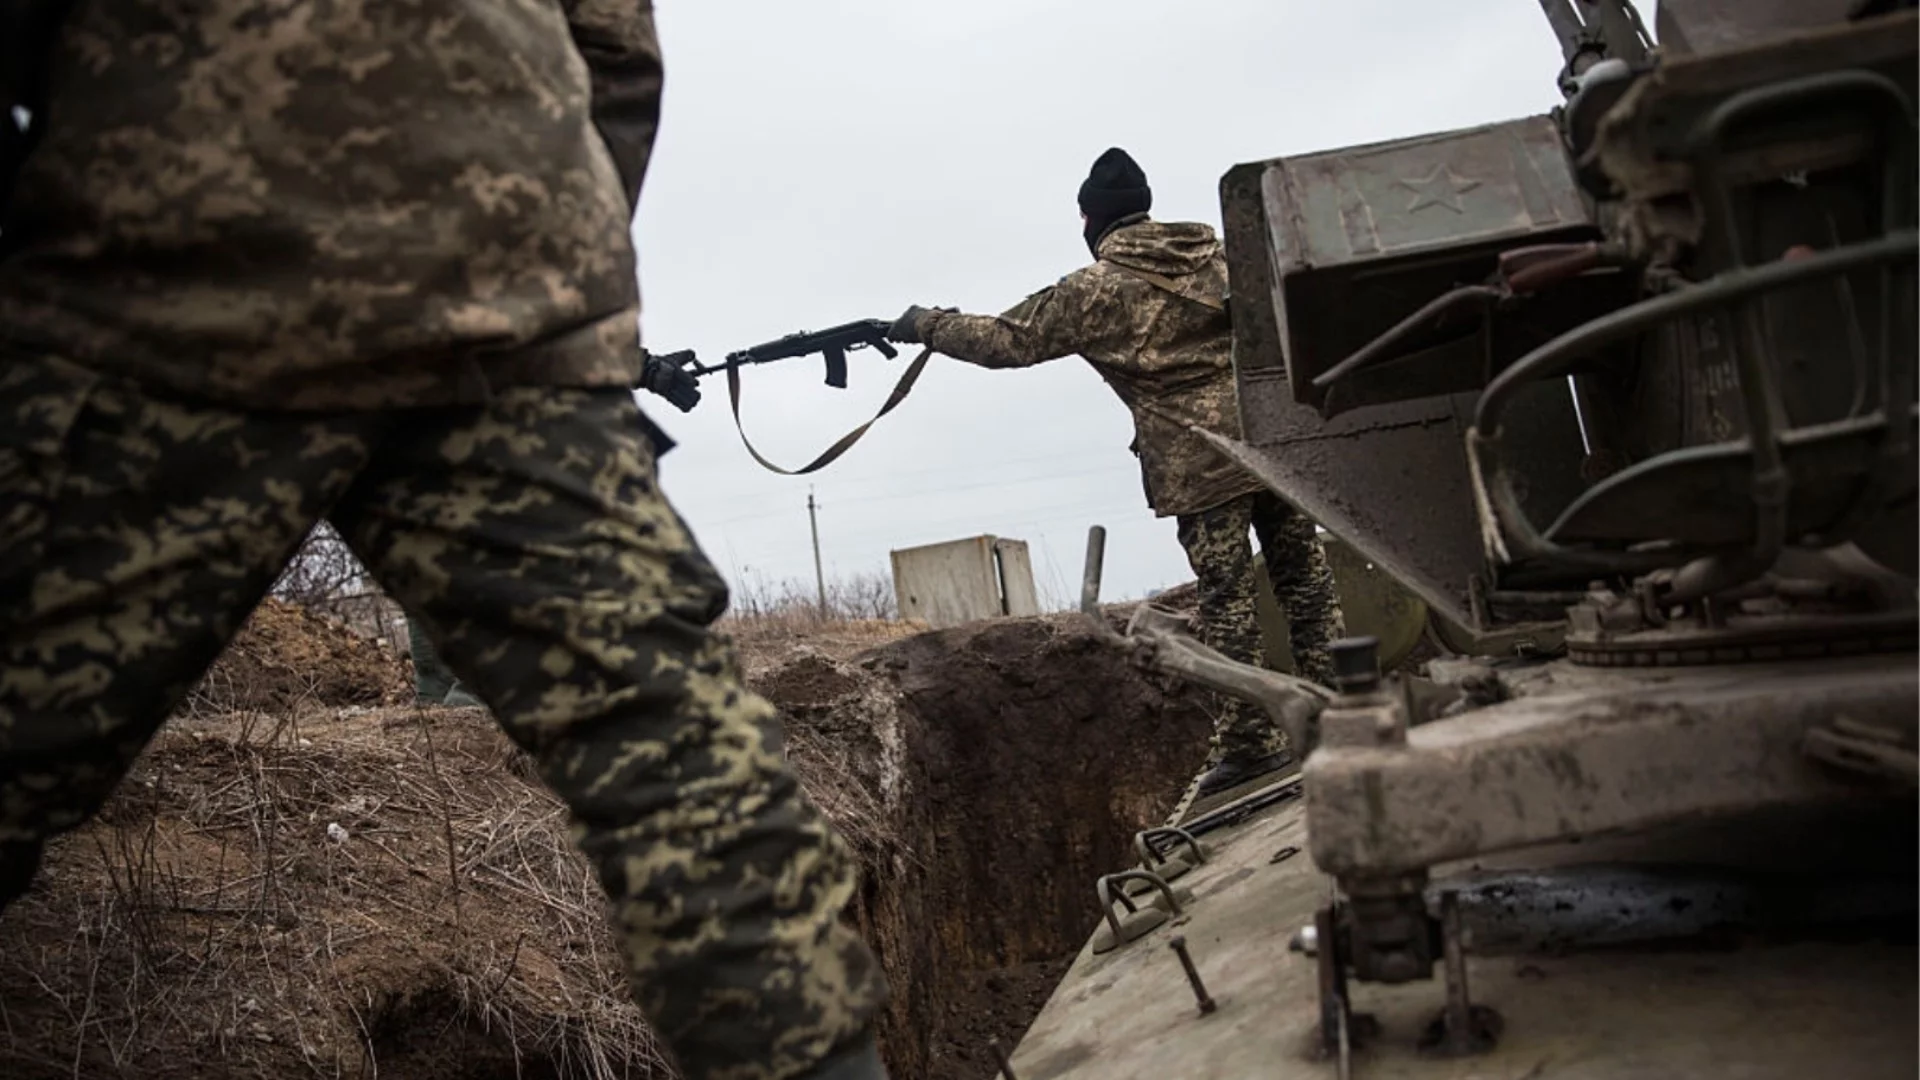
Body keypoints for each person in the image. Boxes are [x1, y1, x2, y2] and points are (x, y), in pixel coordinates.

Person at [0, 3, 888, 1078]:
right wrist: (553, 271)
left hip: (174, 255)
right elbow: (618, 48)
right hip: (494, 288)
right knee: (688, 777)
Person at [888, 148, 1345, 798]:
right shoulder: (1222, 253)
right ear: (1148, 206)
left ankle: (1252, 741)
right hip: (1275, 437)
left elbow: (1007, 343)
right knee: (1305, 576)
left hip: (1199, 455)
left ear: (1089, 219)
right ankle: (1343, 704)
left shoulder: (1095, 287)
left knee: (1228, 598)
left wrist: (926, 324)